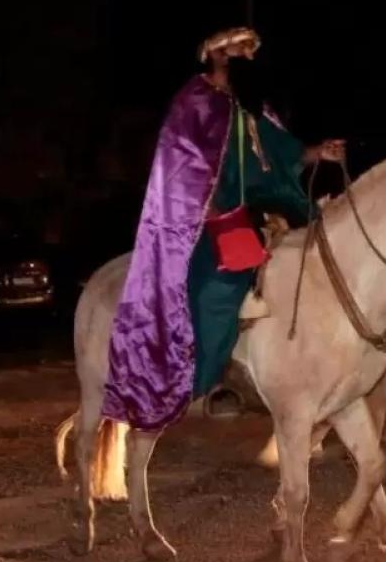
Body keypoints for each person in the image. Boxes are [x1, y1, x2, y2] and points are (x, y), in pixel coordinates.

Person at [103, 27, 345, 431]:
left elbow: (275, 155)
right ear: (215, 54)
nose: (246, 58)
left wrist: (317, 152)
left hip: (263, 207)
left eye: (249, 52)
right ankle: (208, 379)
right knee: (221, 281)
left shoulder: (246, 107)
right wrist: (213, 210)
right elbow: (180, 165)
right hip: (208, 215)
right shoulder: (194, 102)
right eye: (237, 50)